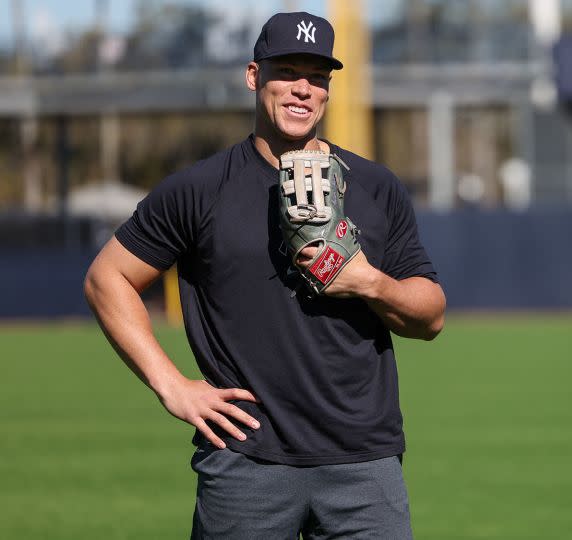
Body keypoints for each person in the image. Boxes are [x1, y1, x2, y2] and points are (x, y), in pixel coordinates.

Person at [84, 11, 445, 539]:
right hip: (245, 465)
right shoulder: (200, 189)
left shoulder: (374, 186)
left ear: (328, 89)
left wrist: (368, 281)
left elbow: (430, 315)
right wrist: (173, 387)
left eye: (317, 76)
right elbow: (106, 279)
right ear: (254, 76)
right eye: (287, 71)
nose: (303, 88)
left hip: (363, 465)